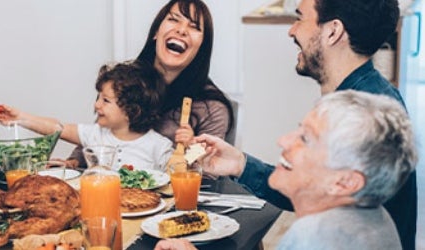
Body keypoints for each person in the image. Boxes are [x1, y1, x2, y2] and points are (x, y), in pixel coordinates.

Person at [200, 0, 417, 248]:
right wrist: (240, 164)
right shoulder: (363, 98)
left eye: (300, 18)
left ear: (333, 31)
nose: (292, 30)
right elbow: (319, 189)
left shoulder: (360, 120)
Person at [160, 90, 416, 250]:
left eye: (305, 138)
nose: (283, 140)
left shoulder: (314, 236)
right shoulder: (376, 219)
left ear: (345, 182)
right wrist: (239, 162)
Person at [67, 0, 235, 168]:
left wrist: (192, 147)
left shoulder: (212, 109)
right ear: (156, 32)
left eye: (194, 27)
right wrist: (73, 163)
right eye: (174, 19)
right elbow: (99, 135)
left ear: (202, 47)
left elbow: (207, 172)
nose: (182, 30)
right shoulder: (126, 82)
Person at [0, 61, 172, 171]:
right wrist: (19, 118)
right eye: (98, 98)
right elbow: (57, 128)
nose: (97, 105)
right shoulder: (95, 134)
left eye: (106, 101)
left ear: (132, 111)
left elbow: (179, 175)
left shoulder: (158, 146)